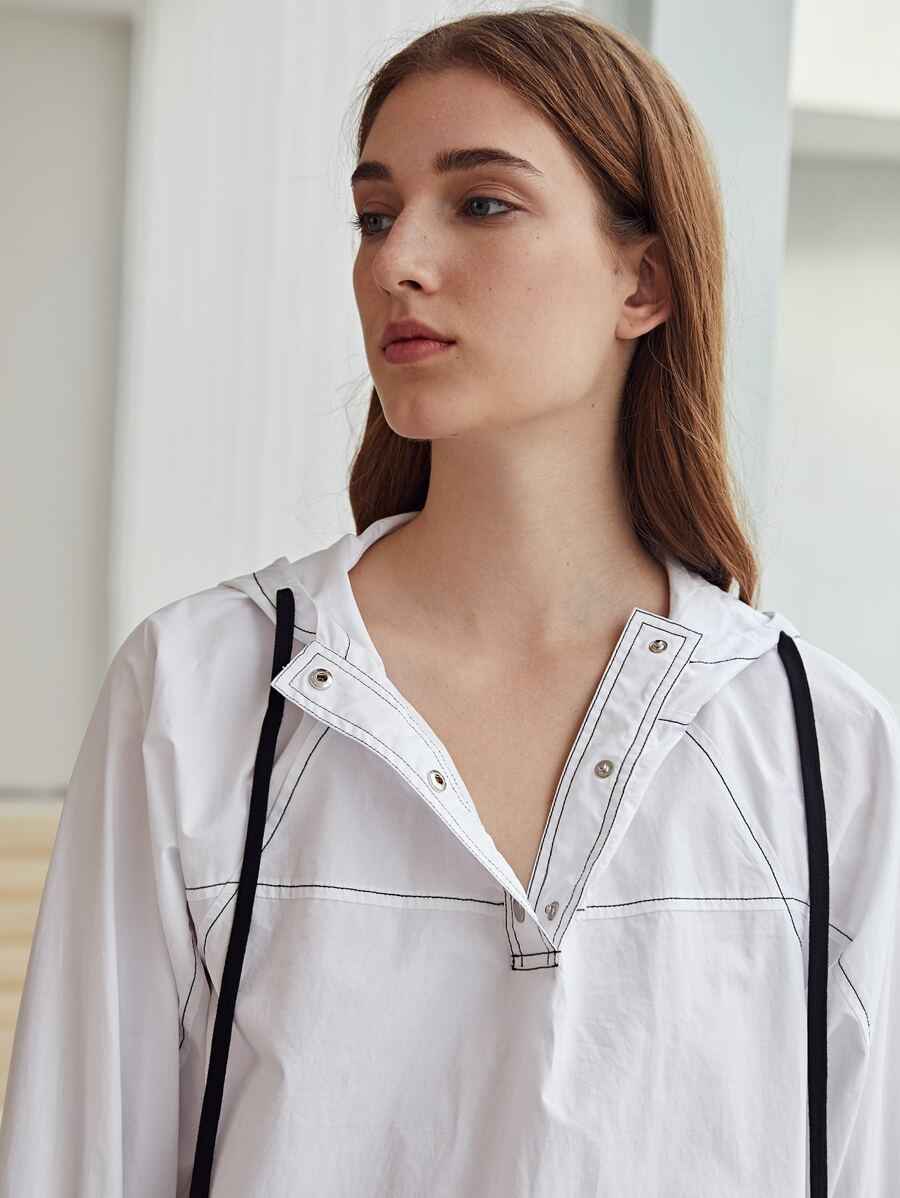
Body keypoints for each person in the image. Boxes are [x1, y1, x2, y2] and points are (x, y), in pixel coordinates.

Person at [1, 8, 898, 1196]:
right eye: (376, 215)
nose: (395, 262)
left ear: (644, 280)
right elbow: (74, 1164)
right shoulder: (199, 692)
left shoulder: (823, 748)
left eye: (480, 203)